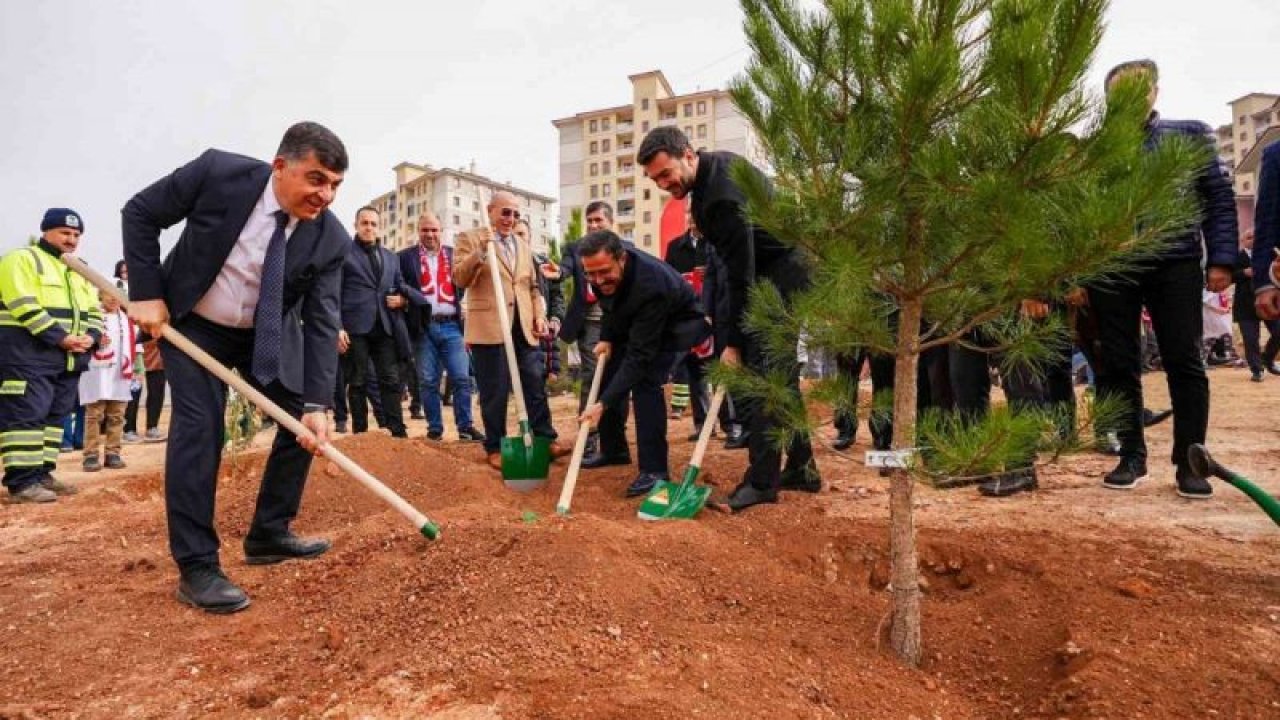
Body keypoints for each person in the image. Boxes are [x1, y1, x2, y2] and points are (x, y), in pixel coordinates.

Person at [122, 122, 349, 613]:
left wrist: (318, 404)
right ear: (280, 166)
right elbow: (140, 213)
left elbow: (322, 321)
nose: (325, 195)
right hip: (194, 326)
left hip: (265, 334)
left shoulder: (331, 239)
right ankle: (198, 566)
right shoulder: (218, 173)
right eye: (316, 179)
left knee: (300, 423)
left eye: (334, 184)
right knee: (201, 428)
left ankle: (269, 533)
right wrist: (146, 293)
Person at [638, 126, 819, 512]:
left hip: (780, 278)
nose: (663, 184)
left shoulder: (720, 195)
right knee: (781, 380)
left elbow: (741, 274)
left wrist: (734, 342)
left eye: (666, 174)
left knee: (761, 379)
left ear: (687, 155)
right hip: (779, 272)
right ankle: (803, 467)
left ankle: (761, 481)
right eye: (655, 179)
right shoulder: (713, 171)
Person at [1085, 60, 1237, 499]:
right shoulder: (1097, 148)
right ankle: (1131, 455)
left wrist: (1222, 259)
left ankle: (1190, 462)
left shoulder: (1189, 135)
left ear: (1154, 91)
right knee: (1117, 362)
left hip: (1175, 260)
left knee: (1183, 359)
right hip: (1113, 267)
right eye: (1119, 92)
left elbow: (1219, 200)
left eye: (1139, 89)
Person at [577, 231, 711, 496]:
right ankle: (614, 450)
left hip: (677, 324)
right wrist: (607, 337)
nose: (597, 280)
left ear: (622, 259)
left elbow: (640, 356)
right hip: (637, 321)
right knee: (609, 371)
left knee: (645, 382)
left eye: (604, 272)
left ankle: (654, 470)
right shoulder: (598, 271)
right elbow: (610, 304)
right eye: (590, 274)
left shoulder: (651, 285)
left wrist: (602, 405)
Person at [453, 191, 568, 470]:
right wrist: (481, 251)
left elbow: (532, 285)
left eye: (515, 214)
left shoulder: (522, 244)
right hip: (490, 327)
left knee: (534, 382)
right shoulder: (469, 238)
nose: (511, 219)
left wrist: (539, 315)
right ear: (490, 211)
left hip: (523, 326)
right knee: (495, 389)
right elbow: (460, 278)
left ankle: (545, 438)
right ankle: (495, 446)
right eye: (505, 212)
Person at [0, 208, 101, 503]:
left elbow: (94, 311)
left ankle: (42, 473)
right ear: (46, 231)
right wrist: (61, 338)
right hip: (27, 356)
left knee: (55, 418)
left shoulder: (80, 268)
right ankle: (21, 483)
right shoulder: (22, 259)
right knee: (27, 417)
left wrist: (91, 337)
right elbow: (22, 303)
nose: (71, 240)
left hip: (67, 359)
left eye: (76, 235)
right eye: (65, 233)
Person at [398, 212, 482, 442]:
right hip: (423, 327)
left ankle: (465, 427)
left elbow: (465, 283)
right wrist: (407, 299)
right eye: (425, 230)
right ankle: (434, 428)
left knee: (461, 377)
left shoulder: (454, 256)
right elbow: (399, 284)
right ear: (419, 231)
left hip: (452, 326)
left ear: (441, 231)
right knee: (427, 380)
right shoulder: (405, 258)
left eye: (434, 230)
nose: (430, 234)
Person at [664, 210, 737, 443]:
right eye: (691, 215)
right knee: (694, 370)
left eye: (699, 214)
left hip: (714, 315)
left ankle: (730, 424)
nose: (694, 219)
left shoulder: (717, 244)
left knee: (718, 369)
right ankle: (702, 423)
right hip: (689, 315)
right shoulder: (675, 247)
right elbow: (669, 279)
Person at [337, 207, 411, 438]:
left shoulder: (391, 257)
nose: (369, 227)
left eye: (373, 224)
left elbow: (400, 285)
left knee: (390, 380)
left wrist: (403, 300)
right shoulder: (343, 253)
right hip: (355, 327)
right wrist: (337, 327)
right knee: (357, 381)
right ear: (356, 225)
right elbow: (333, 293)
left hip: (385, 326)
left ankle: (396, 431)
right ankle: (361, 433)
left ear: (379, 227)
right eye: (364, 223)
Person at [554, 201, 613, 457]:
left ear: (610, 223)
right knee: (591, 377)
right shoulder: (575, 249)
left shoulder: (624, 250)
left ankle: (613, 437)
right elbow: (565, 268)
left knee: (615, 378)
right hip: (589, 321)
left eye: (598, 220)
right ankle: (588, 437)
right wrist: (557, 272)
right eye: (590, 220)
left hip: (617, 320)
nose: (592, 225)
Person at [78, 289, 141, 471]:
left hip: (119, 374)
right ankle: (90, 456)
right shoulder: (92, 317)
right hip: (96, 372)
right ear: (100, 296)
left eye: (117, 295)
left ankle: (113, 453)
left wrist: (137, 369)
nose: (113, 298)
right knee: (94, 415)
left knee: (117, 415)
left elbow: (136, 348)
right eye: (108, 294)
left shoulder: (127, 319)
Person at [1234, 229, 1280, 381]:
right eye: (1249, 237)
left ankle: (1268, 359)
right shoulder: (1236, 257)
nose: (1253, 239)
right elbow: (1227, 276)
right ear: (1243, 241)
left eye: (1255, 236)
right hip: (1245, 305)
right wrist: (1243, 273)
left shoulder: (1271, 255)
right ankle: (1256, 370)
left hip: (1269, 303)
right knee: (1250, 339)